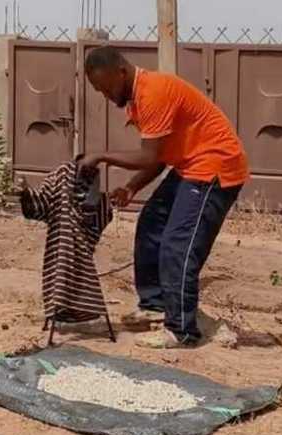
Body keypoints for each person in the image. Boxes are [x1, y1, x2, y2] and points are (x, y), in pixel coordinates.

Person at [78, 46, 248, 349]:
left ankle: (181, 330)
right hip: (190, 164)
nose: (104, 94)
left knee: (177, 244)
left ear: (121, 72)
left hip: (215, 167)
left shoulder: (153, 93)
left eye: (105, 87)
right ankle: (155, 305)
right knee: (151, 224)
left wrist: (101, 156)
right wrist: (132, 187)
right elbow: (159, 157)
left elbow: (148, 155)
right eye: (98, 90)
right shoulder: (137, 98)